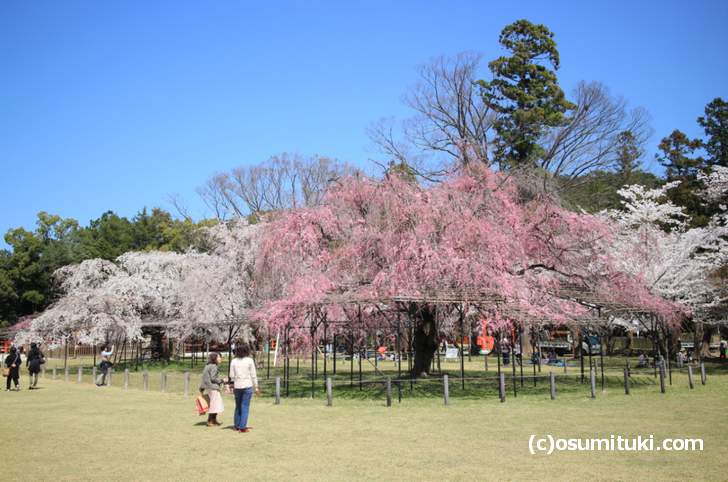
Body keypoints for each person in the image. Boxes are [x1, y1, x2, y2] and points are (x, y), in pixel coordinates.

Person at [229, 345, 260, 433]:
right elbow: (253, 375)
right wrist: (256, 386)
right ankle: (242, 427)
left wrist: (234, 382)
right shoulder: (249, 360)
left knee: (238, 406)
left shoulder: (233, 361)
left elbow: (231, 375)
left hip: (237, 386)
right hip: (247, 385)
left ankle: (236, 425)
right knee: (245, 406)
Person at [200, 352, 225, 427]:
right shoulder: (214, 366)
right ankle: (210, 421)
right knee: (214, 405)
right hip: (213, 387)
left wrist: (201, 388)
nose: (220, 359)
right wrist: (222, 380)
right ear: (215, 358)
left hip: (209, 387)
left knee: (214, 404)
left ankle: (214, 420)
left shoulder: (208, 365)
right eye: (219, 357)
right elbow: (213, 378)